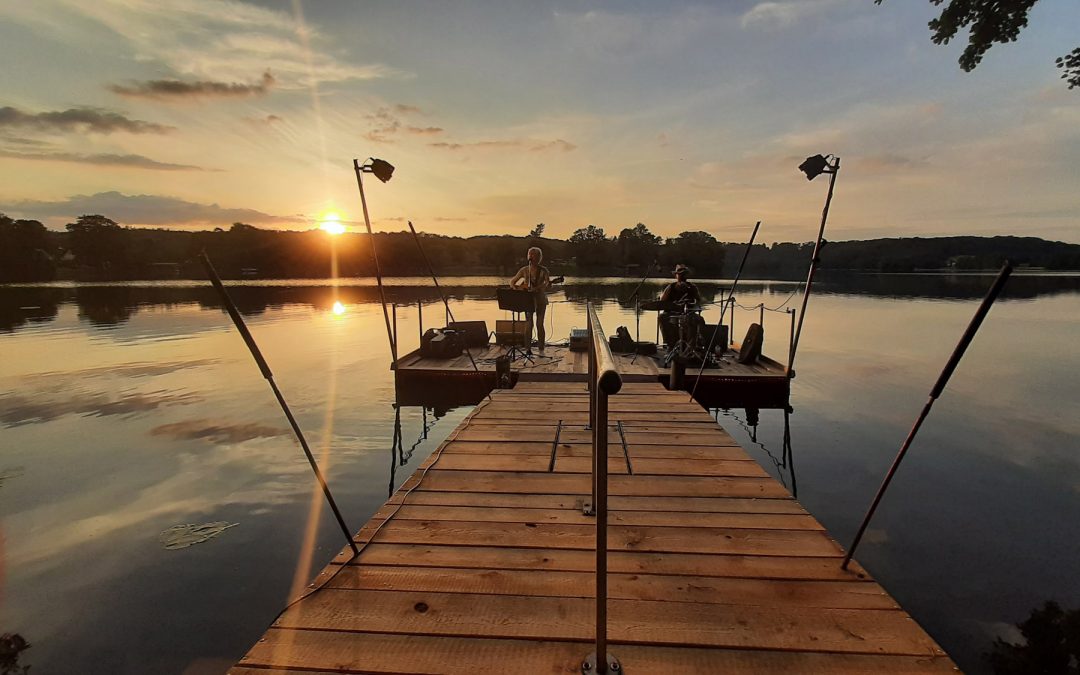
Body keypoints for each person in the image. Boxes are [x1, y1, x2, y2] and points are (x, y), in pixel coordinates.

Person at [509, 246, 552, 351]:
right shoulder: (524, 270)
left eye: (534, 254)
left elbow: (547, 283)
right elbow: (512, 282)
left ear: (539, 257)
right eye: (530, 254)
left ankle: (541, 347)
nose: (531, 256)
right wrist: (518, 288)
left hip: (540, 299)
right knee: (528, 324)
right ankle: (528, 348)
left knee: (539, 323)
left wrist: (547, 285)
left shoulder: (543, 270)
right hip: (527, 300)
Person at [659, 263, 702, 348]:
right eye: (680, 274)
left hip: (688, 313)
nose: (682, 276)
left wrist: (692, 305)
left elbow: (698, 301)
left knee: (700, 319)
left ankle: (694, 344)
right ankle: (667, 343)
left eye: (683, 274)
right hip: (672, 313)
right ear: (676, 276)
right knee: (661, 317)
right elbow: (661, 302)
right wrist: (672, 304)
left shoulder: (692, 287)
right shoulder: (670, 287)